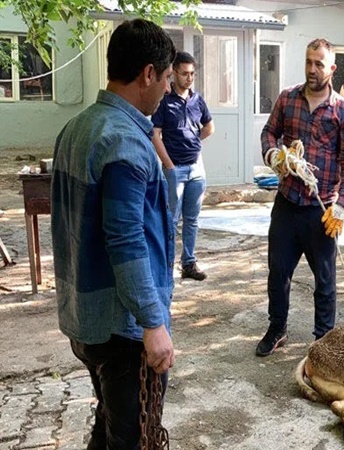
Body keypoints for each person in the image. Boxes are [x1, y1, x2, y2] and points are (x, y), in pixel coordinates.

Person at [50, 19, 176, 449]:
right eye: (166, 78)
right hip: (124, 330)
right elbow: (125, 239)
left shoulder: (77, 128)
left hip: (84, 317)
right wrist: (153, 322)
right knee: (132, 438)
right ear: (147, 74)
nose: (166, 89)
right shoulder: (123, 140)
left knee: (110, 427)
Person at [256, 38, 344, 356]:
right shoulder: (288, 98)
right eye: (308, 62)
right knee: (278, 272)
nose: (312, 69)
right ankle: (277, 328)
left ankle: (323, 339)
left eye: (319, 63)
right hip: (287, 204)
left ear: (332, 68)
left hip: (320, 209)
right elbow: (268, 133)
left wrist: (341, 205)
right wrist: (274, 156)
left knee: (325, 281)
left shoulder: (342, 111)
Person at [152, 51, 215, 281]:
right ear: (174, 73)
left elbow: (209, 127)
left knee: (192, 219)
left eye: (192, 74)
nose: (189, 78)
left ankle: (188, 263)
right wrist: (168, 165)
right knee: (170, 219)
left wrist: (193, 141)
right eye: (185, 74)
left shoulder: (197, 100)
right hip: (174, 170)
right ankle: (165, 266)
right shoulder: (164, 100)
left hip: (196, 168)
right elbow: (155, 135)